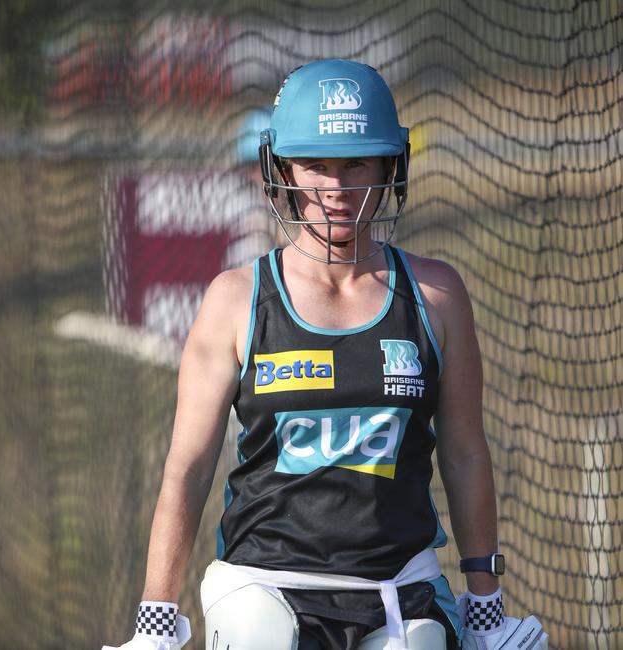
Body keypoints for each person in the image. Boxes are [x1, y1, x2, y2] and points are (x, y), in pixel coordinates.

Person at [103, 60, 548, 650]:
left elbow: (465, 453)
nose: (336, 191)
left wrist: (486, 606)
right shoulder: (236, 300)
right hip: (265, 584)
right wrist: (155, 624)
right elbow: (187, 467)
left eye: (355, 164)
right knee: (257, 634)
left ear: (392, 165)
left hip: (398, 587)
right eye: (316, 166)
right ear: (281, 168)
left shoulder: (436, 295)